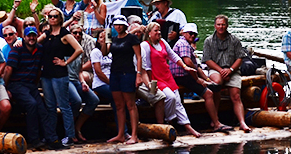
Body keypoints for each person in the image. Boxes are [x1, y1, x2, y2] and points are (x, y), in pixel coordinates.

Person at [3, 26, 64, 150]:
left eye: (33, 35)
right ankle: (34, 139)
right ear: (24, 37)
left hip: (31, 84)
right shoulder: (17, 49)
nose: (31, 38)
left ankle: (52, 138)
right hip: (17, 84)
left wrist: (35, 84)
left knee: (43, 108)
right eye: (29, 36)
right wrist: (5, 87)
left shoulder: (40, 49)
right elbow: (9, 69)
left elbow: (39, 69)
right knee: (32, 104)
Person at [141, 22, 202, 138]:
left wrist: (184, 66)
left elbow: (173, 56)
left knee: (177, 101)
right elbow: (146, 66)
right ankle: (169, 121)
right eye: (156, 31)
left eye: (159, 30)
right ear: (149, 33)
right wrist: (150, 84)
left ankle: (187, 126)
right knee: (170, 97)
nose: (159, 32)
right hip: (155, 77)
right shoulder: (145, 45)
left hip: (166, 75)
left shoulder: (163, 42)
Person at [38, 7, 84, 145]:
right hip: (46, 74)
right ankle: (51, 135)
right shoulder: (47, 33)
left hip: (59, 74)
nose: (52, 18)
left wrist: (66, 62)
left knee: (64, 106)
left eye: (55, 16)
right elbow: (34, 42)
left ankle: (70, 135)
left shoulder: (65, 34)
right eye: (50, 16)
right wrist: (19, 41)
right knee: (50, 106)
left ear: (60, 18)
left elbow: (79, 49)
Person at [172, 23, 229, 131]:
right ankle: (216, 123)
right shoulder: (183, 44)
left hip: (185, 75)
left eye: (194, 34)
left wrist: (207, 80)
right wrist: (198, 80)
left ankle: (215, 120)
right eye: (190, 33)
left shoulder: (187, 44)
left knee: (214, 87)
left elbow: (196, 67)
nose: (192, 36)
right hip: (181, 76)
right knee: (208, 94)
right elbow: (188, 63)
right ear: (184, 33)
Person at [203, 14, 253, 133]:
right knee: (217, 83)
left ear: (227, 25)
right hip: (216, 69)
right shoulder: (208, 41)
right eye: (219, 24)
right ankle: (215, 119)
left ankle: (242, 122)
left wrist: (230, 70)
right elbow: (207, 60)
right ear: (215, 26)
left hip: (232, 70)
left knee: (236, 95)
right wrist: (221, 70)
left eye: (223, 24)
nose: (221, 27)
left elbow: (240, 58)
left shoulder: (234, 40)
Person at [102, 15, 143, 144]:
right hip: (115, 73)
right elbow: (104, 53)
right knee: (119, 105)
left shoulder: (131, 38)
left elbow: (139, 56)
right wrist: (103, 41)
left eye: (120, 24)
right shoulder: (113, 39)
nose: (118, 27)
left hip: (128, 73)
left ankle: (134, 135)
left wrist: (139, 74)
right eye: (116, 25)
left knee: (130, 105)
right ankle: (120, 134)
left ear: (125, 25)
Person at [68, 24, 99, 143]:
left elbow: (80, 70)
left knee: (94, 100)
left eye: (79, 33)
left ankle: (78, 127)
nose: (77, 35)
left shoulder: (80, 50)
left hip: (76, 79)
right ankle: (70, 131)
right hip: (66, 80)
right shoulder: (64, 48)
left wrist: (83, 82)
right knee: (77, 101)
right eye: (74, 33)